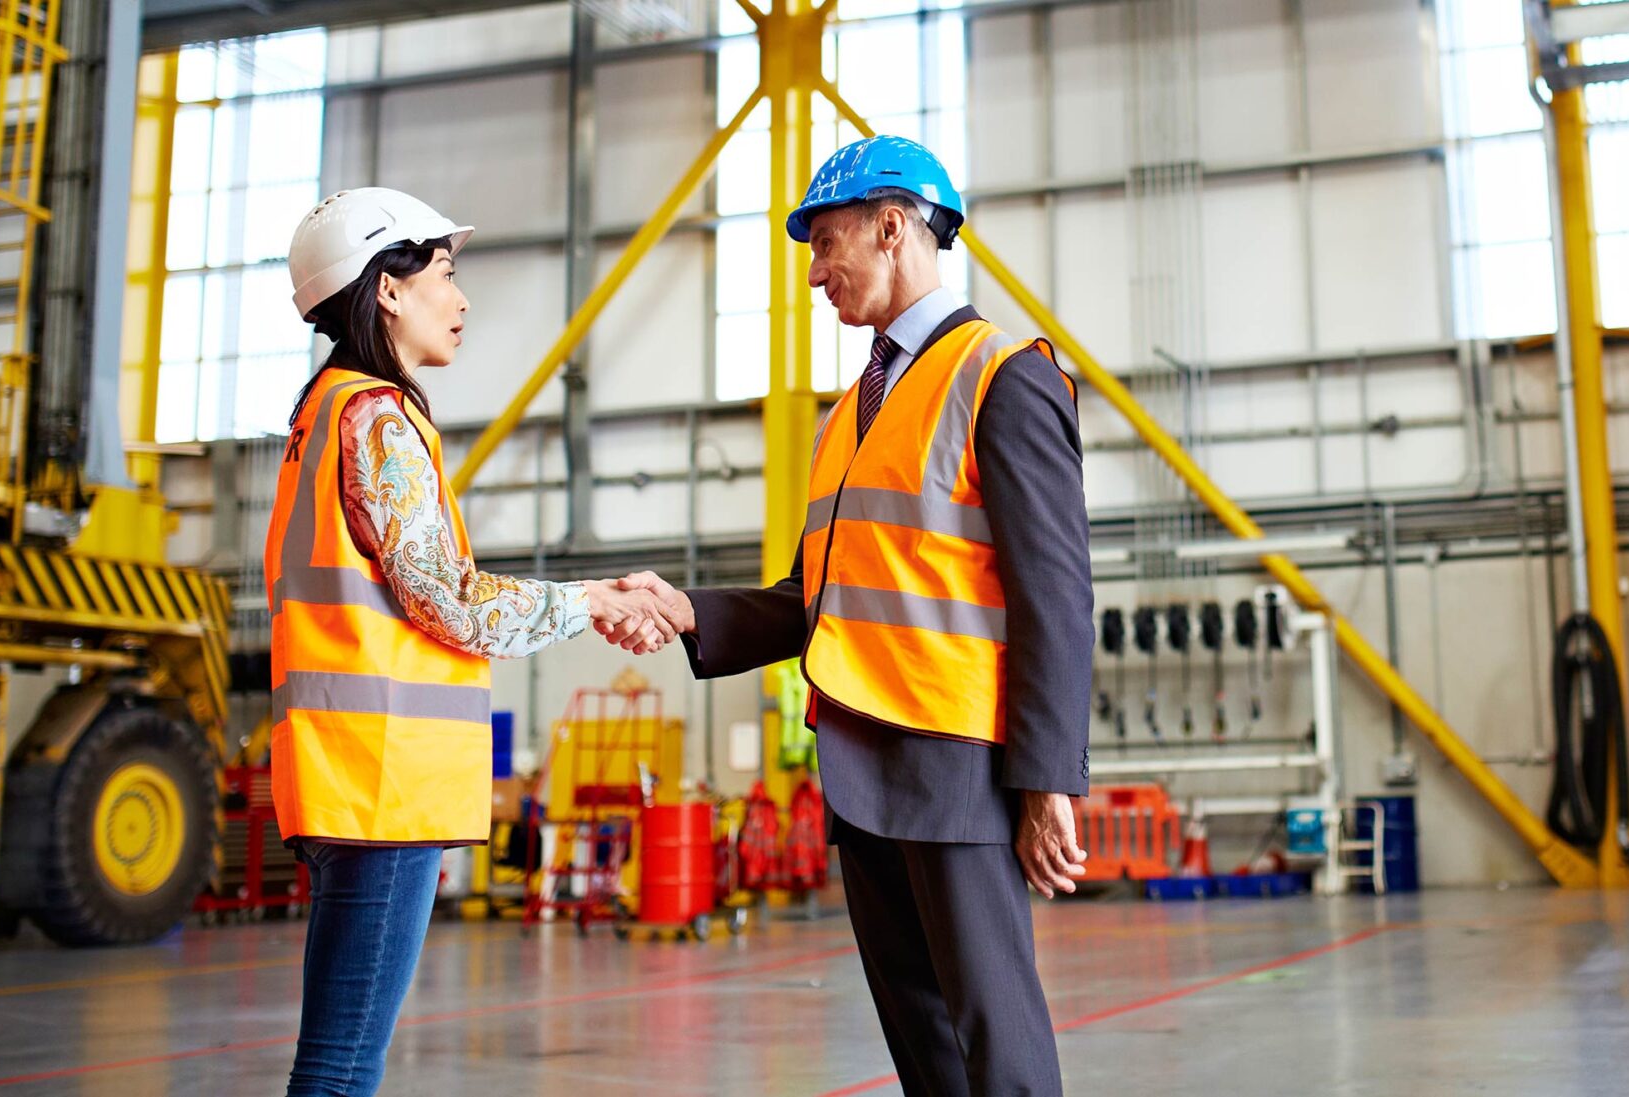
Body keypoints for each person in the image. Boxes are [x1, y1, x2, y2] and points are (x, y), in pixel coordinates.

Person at [619, 135, 1092, 1096]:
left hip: (957, 757)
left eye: (827, 243)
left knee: (995, 1037)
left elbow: (1057, 596)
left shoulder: (1001, 375)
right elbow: (812, 598)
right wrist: (687, 611)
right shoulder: (850, 413)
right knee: (924, 1042)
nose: (815, 274)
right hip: (862, 766)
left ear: (892, 228)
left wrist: (1048, 778)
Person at [265, 187, 678, 1097]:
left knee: (331, 1058)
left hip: (340, 774)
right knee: (339, 1069)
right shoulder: (376, 417)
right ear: (386, 290)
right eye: (445, 274)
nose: (460, 298)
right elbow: (450, 603)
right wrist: (589, 601)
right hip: (384, 783)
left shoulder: (318, 415)